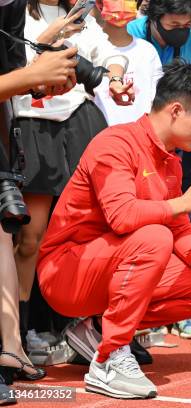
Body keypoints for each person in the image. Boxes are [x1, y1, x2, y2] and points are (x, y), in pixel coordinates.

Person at [35, 60, 191, 399]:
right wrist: (182, 203)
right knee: (154, 238)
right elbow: (122, 217)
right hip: (67, 271)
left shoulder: (169, 158)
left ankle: (97, 329)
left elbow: (181, 227)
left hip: (111, 264)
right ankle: (109, 357)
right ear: (175, 110)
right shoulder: (115, 143)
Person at [11, 0, 134, 353]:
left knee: (86, 230)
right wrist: (54, 34)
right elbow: (18, 63)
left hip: (80, 121)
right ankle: (20, 331)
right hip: (32, 124)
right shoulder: (16, 13)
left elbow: (110, 52)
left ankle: (86, 326)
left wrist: (113, 79)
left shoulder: (80, 14)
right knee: (31, 237)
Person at [0, 0, 78, 400]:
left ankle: (13, 343)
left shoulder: (10, 11)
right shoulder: (22, 13)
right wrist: (35, 66)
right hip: (27, 128)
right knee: (20, 239)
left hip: (25, 136)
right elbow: (15, 77)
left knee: (13, 237)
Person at [94, 0, 164, 126]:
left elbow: (157, 102)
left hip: (139, 137)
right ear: (99, 4)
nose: (120, 4)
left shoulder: (148, 52)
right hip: (97, 136)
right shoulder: (89, 50)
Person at [127, 0, 191, 65]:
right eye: (174, 25)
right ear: (154, 19)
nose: (180, 31)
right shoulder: (130, 34)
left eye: (187, 24)